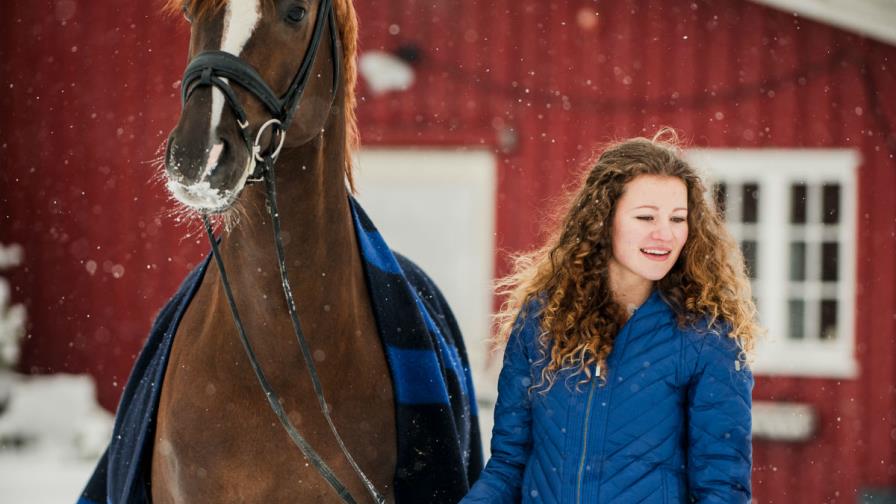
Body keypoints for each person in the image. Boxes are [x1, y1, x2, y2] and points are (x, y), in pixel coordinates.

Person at [461, 129, 758, 503]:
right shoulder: (544, 320)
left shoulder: (706, 338)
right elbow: (508, 467)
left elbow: (722, 491)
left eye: (678, 219)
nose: (665, 234)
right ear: (604, 220)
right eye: (646, 217)